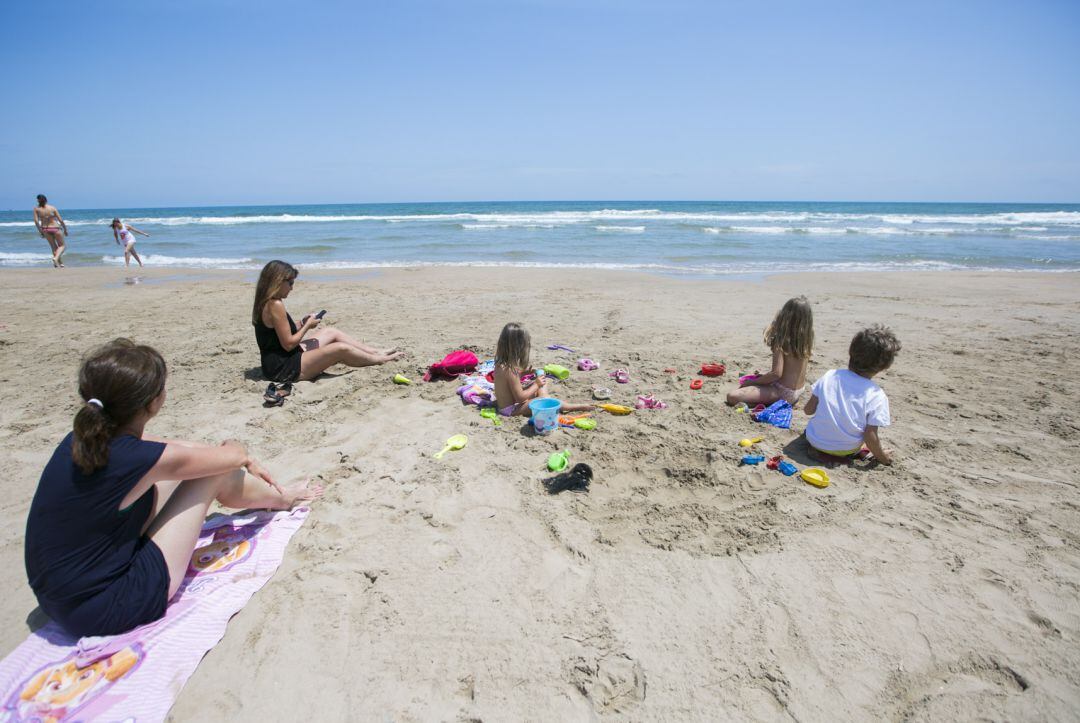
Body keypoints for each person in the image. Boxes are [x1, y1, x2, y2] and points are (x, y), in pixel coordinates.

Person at [24, 339, 323, 637]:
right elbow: (223, 457)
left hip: (56, 599)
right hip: (108, 606)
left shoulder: (83, 438)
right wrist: (238, 453)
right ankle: (283, 499)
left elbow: (174, 450)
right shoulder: (137, 459)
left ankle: (275, 496)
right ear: (154, 402)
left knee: (187, 471)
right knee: (212, 474)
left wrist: (226, 455)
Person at [252, 260, 403, 384]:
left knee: (331, 332)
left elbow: (277, 332)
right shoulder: (275, 304)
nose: (292, 288)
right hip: (284, 367)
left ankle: (374, 351)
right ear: (278, 281)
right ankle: (380, 359)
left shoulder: (265, 301)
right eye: (290, 283)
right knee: (340, 349)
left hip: (281, 358)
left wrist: (301, 323)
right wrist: (307, 327)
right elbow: (289, 344)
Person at [803, 324, 901, 465]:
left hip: (814, 441)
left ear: (851, 351)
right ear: (885, 366)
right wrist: (884, 459)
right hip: (845, 449)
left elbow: (808, 410)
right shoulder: (876, 395)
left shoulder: (830, 375)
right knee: (861, 441)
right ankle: (855, 453)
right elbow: (870, 436)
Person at [726, 296, 814, 407]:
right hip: (798, 391)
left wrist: (752, 382)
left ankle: (760, 405)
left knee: (732, 396)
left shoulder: (781, 341)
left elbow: (776, 374)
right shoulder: (805, 341)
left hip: (782, 393)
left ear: (785, 317)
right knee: (760, 379)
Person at [493, 322, 593, 417]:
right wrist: (537, 384)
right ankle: (573, 407)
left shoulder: (500, 364)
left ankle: (544, 396)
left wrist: (524, 374)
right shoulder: (511, 371)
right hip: (511, 410)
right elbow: (520, 398)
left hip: (507, 405)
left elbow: (508, 382)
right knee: (542, 395)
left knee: (540, 382)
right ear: (519, 348)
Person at [33, 194, 68, 268]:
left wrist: (40, 231)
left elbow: (36, 221)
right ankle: (56, 258)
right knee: (62, 246)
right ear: (46, 200)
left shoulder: (36, 209)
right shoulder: (52, 208)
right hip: (55, 228)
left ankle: (59, 263)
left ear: (38, 200)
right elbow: (60, 220)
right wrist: (65, 229)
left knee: (53, 247)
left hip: (45, 229)